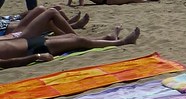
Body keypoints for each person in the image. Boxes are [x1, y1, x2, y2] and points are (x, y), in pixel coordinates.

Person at [0, 26, 141, 69]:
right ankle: (121, 42)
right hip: (33, 49)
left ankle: (107, 38)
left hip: (29, 41)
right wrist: (37, 56)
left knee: (71, 36)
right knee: (79, 40)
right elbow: (7, 63)